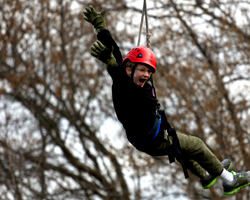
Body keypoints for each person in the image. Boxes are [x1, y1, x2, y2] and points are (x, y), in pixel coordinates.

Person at [83, 5, 250, 195]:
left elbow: (116, 53)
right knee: (196, 145)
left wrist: (100, 28)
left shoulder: (128, 79)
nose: (146, 74)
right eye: (142, 70)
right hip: (153, 140)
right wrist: (112, 64)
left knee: (183, 148)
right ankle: (230, 180)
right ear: (128, 70)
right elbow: (120, 77)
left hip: (147, 137)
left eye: (149, 71)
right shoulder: (127, 90)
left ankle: (206, 174)